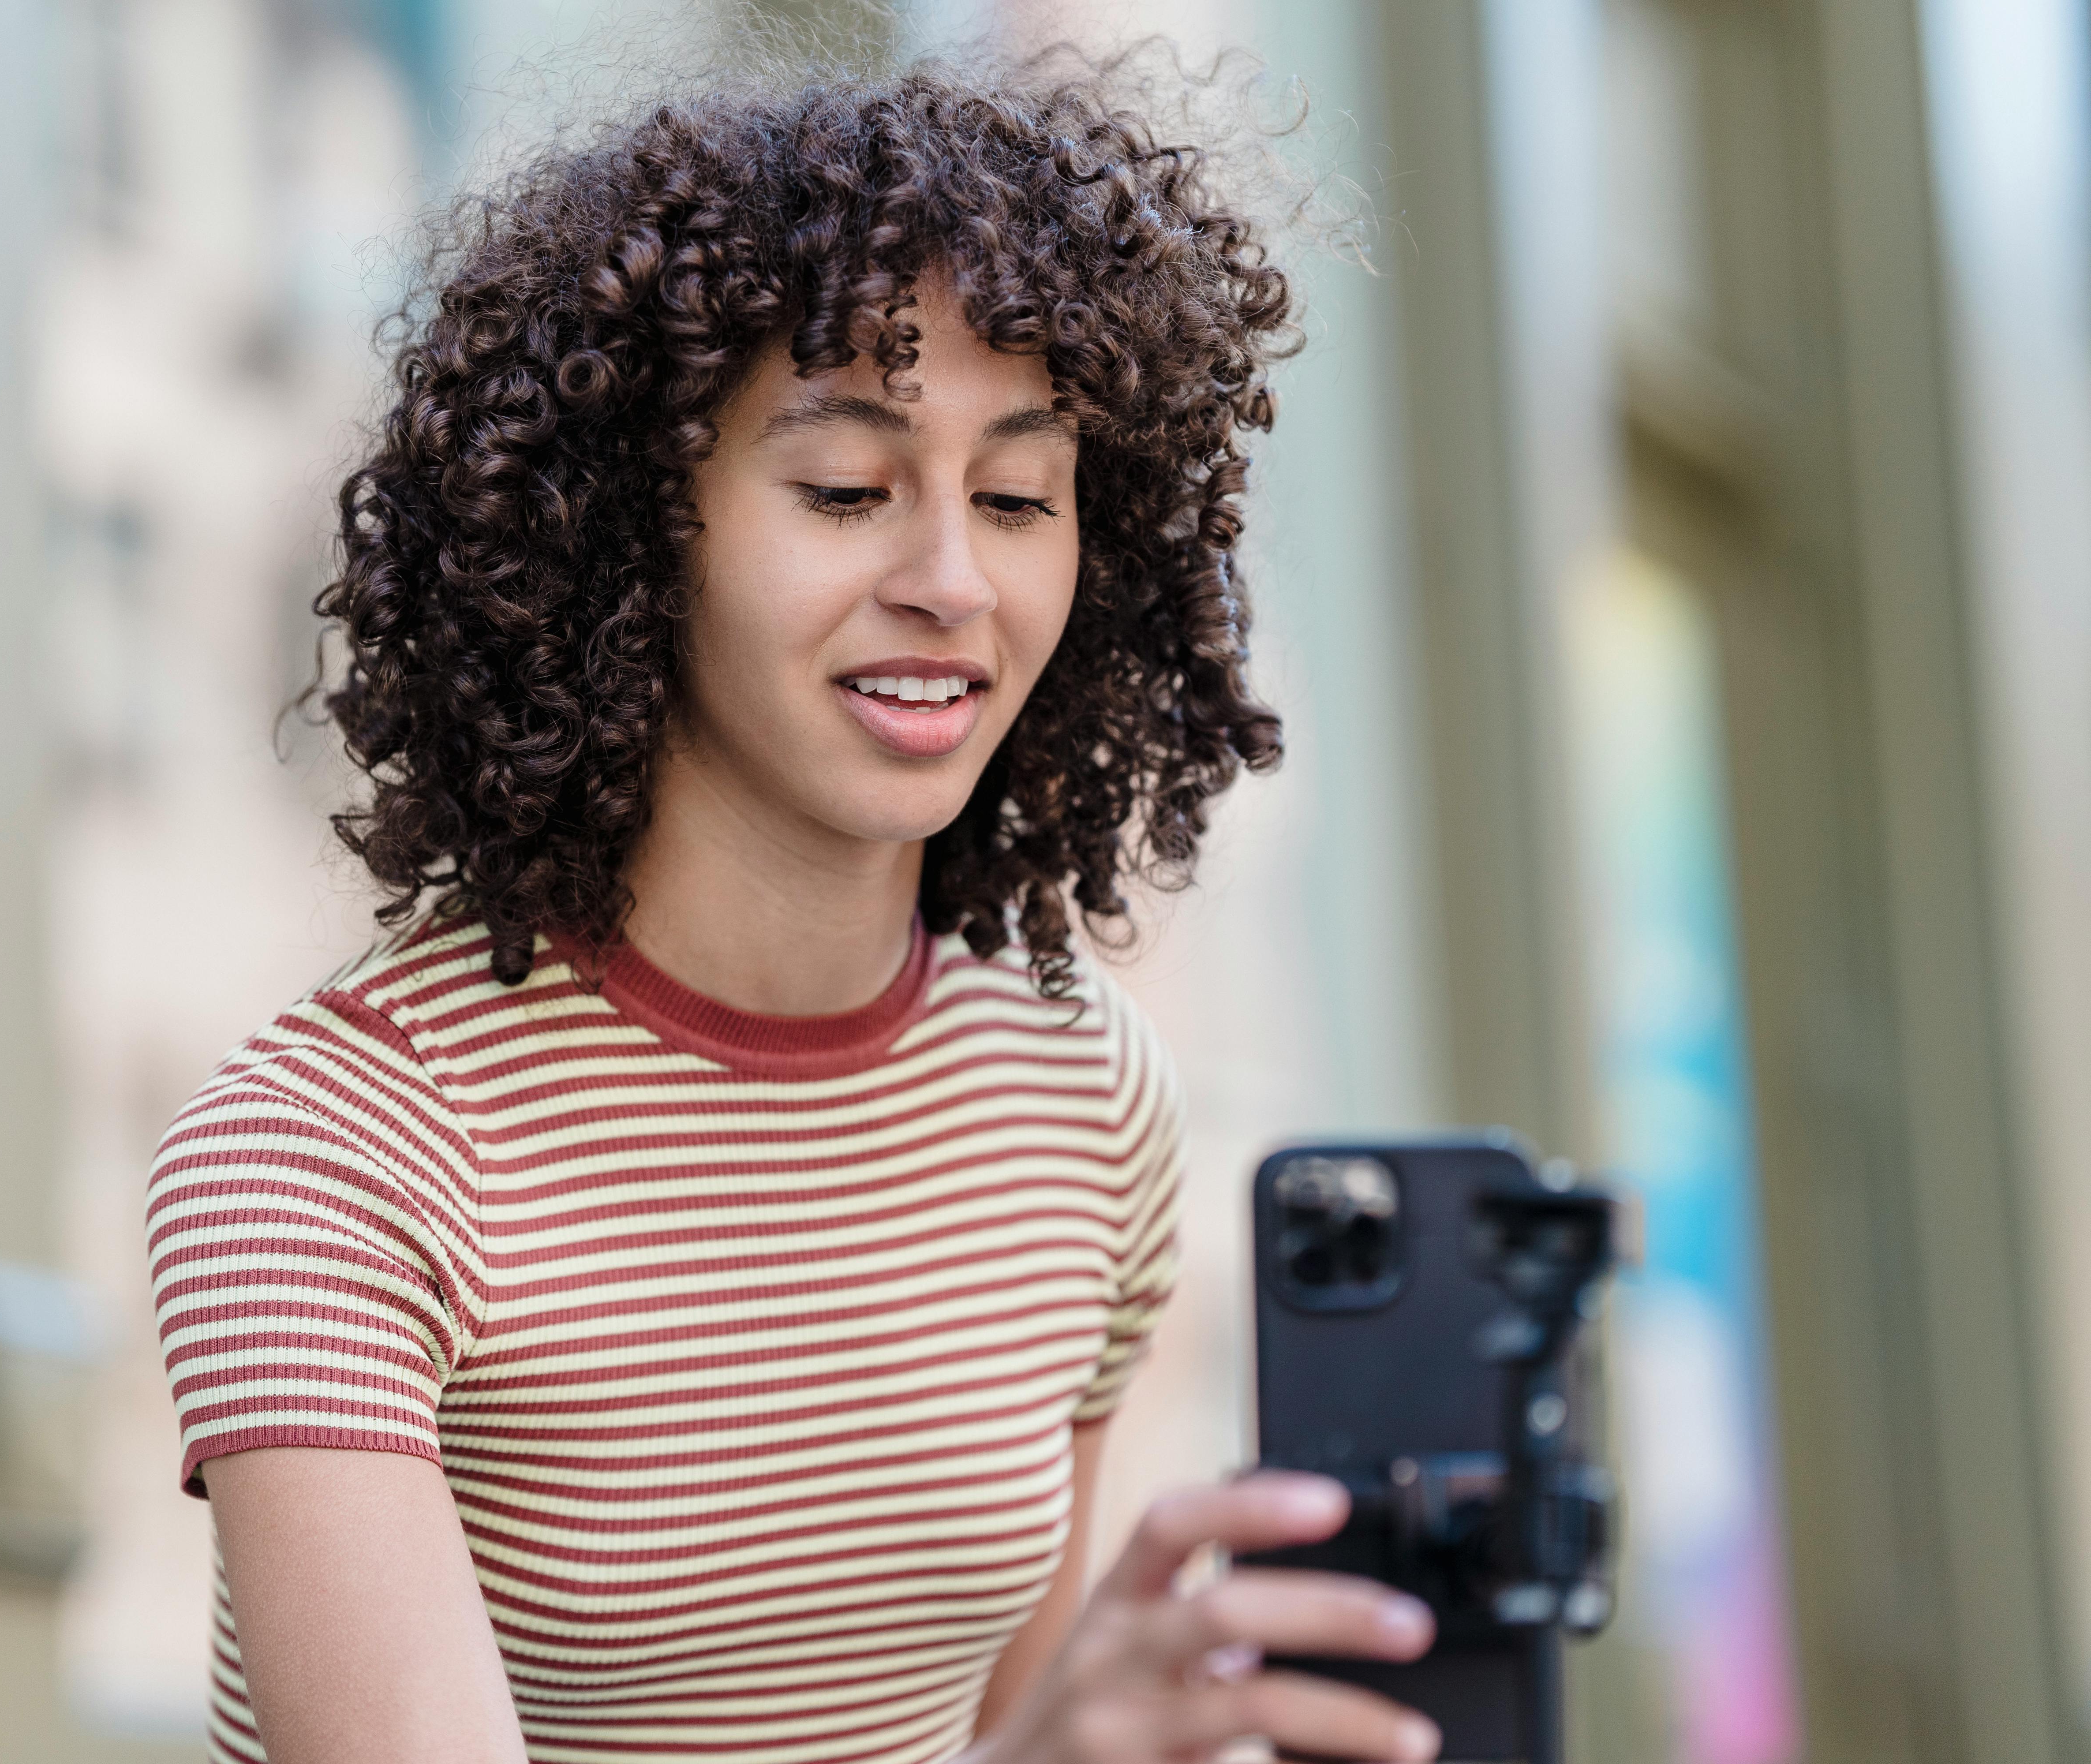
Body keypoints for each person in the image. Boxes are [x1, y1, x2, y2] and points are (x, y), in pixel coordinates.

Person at [146, 54, 1444, 1764]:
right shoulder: (329, 1157)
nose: (952, 583)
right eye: (845, 490)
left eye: (1016, 497)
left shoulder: (1081, 1103)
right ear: (621, 532)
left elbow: (1014, 1730)